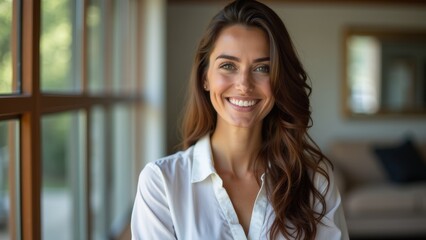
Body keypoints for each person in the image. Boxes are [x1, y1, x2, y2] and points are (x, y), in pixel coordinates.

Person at [131, 0, 348, 239]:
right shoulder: (161, 183)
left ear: (279, 81)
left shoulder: (314, 181)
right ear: (205, 77)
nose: (244, 85)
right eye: (228, 65)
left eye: (262, 68)